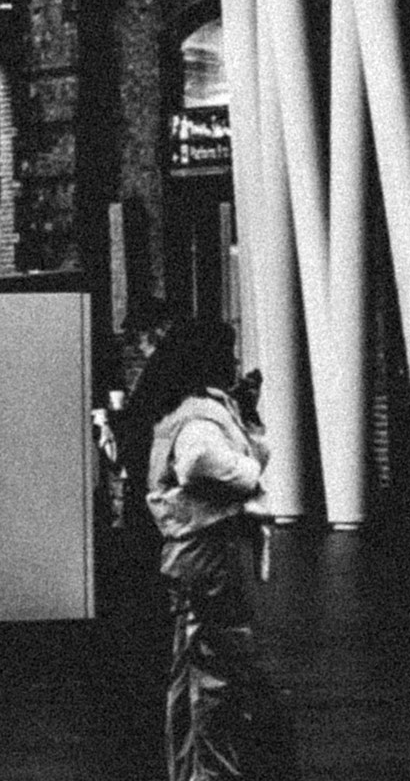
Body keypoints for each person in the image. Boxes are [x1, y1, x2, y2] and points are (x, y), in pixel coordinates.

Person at [143, 317, 277, 781]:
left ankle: (187, 770)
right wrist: (249, 474)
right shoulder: (200, 413)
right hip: (211, 552)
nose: (235, 361)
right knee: (217, 676)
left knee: (191, 670)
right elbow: (202, 461)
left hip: (188, 551)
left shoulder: (180, 408)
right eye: (228, 352)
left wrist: (247, 420)